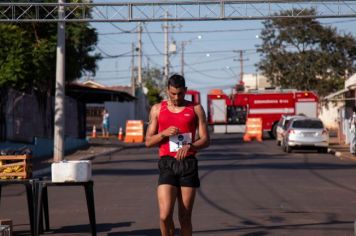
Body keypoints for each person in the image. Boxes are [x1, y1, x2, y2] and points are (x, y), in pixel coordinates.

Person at [145, 74, 210, 236]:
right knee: (165, 216)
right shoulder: (157, 109)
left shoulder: (195, 109)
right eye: (172, 94)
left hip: (188, 164)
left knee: (185, 217)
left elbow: (206, 140)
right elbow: (148, 141)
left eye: (180, 93)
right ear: (167, 90)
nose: (176, 97)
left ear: (185, 91)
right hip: (167, 164)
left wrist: (191, 146)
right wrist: (163, 134)